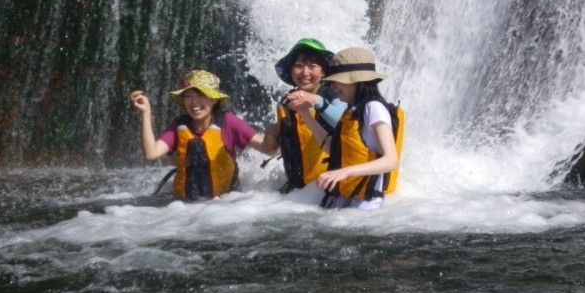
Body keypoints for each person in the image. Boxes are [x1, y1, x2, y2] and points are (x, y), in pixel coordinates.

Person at [130, 69, 274, 200]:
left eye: (201, 95)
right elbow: (151, 153)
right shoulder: (179, 126)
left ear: (214, 98)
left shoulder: (229, 122)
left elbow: (267, 149)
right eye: (188, 96)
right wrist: (145, 112)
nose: (194, 103)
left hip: (226, 206)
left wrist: (276, 128)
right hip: (181, 208)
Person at [296, 47, 404, 209]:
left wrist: (345, 172)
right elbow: (334, 149)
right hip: (343, 204)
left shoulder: (374, 108)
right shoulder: (352, 111)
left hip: (365, 208)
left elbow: (391, 160)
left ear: (356, 81)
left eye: (337, 80)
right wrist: (304, 113)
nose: (332, 86)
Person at [263, 38, 347, 192]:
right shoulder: (287, 101)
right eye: (299, 66)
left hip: (330, 188)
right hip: (299, 193)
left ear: (323, 71)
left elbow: (346, 124)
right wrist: (274, 130)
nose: (305, 72)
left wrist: (317, 101)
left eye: (312, 66)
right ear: (291, 71)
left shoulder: (335, 94)